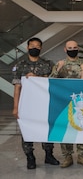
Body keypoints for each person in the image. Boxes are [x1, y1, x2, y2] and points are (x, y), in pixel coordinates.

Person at [12, 37, 59, 169]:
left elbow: (53, 81)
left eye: (37, 46)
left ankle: (49, 155)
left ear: (41, 48)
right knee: (26, 130)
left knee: (47, 129)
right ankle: (30, 157)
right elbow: (17, 87)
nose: (34, 48)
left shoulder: (48, 64)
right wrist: (15, 107)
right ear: (27, 47)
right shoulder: (20, 65)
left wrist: (36, 78)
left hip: (44, 103)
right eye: (32, 45)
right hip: (27, 104)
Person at [49, 40, 83, 168]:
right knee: (65, 128)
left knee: (82, 127)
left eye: (75, 47)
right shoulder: (60, 64)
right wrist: (59, 69)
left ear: (78, 48)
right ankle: (67, 156)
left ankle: (81, 156)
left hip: (82, 103)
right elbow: (51, 81)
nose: (72, 49)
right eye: (70, 47)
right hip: (64, 103)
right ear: (65, 49)